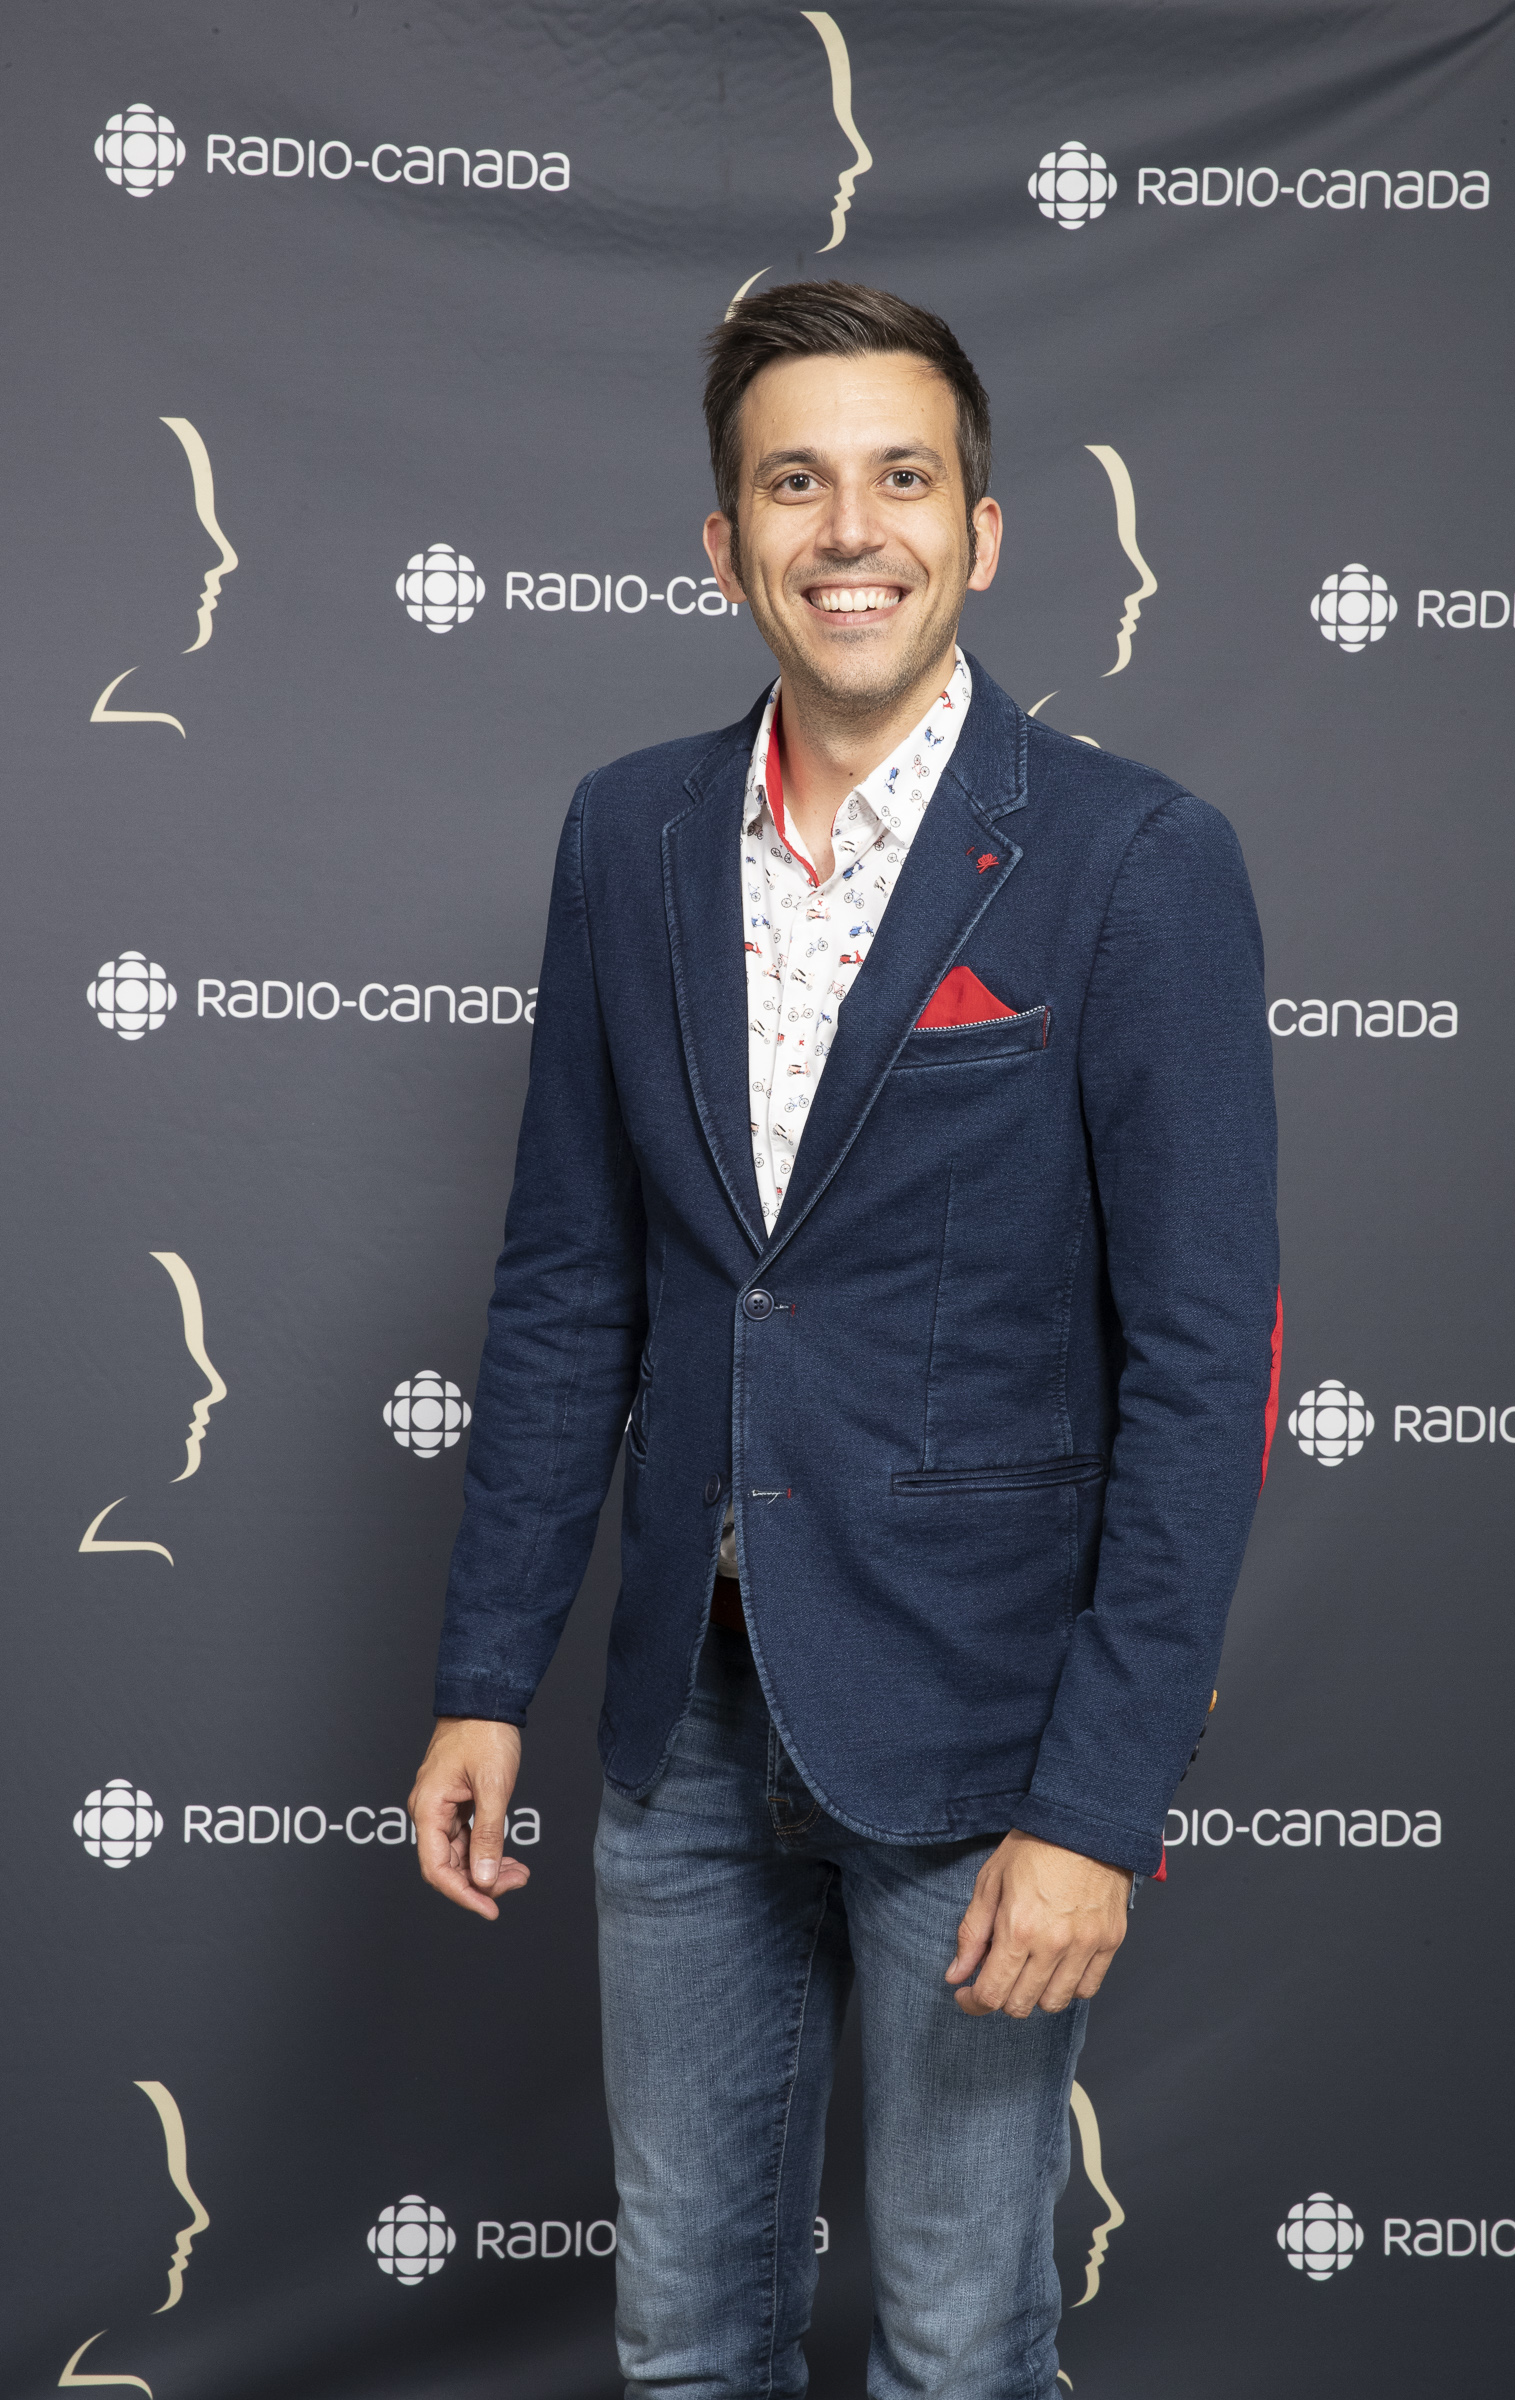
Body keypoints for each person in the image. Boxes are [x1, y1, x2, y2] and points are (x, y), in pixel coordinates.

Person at [409, 280, 1279, 2399]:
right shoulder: (626, 835)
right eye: (794, 483)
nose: (851, 528)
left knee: (960, 2350)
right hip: (681, 1725)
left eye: (903, 478)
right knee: (683, 2344)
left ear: (981, 530)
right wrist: (485, 1676)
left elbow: (1201, 1365)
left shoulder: (1135, 859)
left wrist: (1097, 1807)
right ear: (725, 544)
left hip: (984, 1738)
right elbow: (567, 1283)